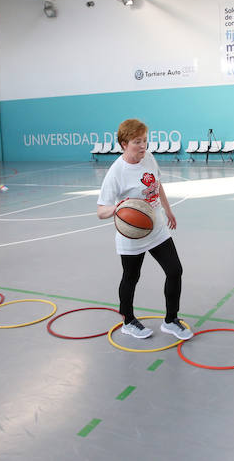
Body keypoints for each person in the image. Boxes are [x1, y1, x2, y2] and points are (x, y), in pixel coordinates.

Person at [96, 119, 193, 341]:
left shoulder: (148, 157)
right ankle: (128, 321)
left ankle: (171, 320)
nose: (143, 146)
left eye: (145, 141)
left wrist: (168, 211)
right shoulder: (116, 172)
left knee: (175, 270)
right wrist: (120, 208)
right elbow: (101, 211)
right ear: (123, 144)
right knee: (131, 276)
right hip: (132, 234)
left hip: (157, 228)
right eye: (137, 142)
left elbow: (157, 185)